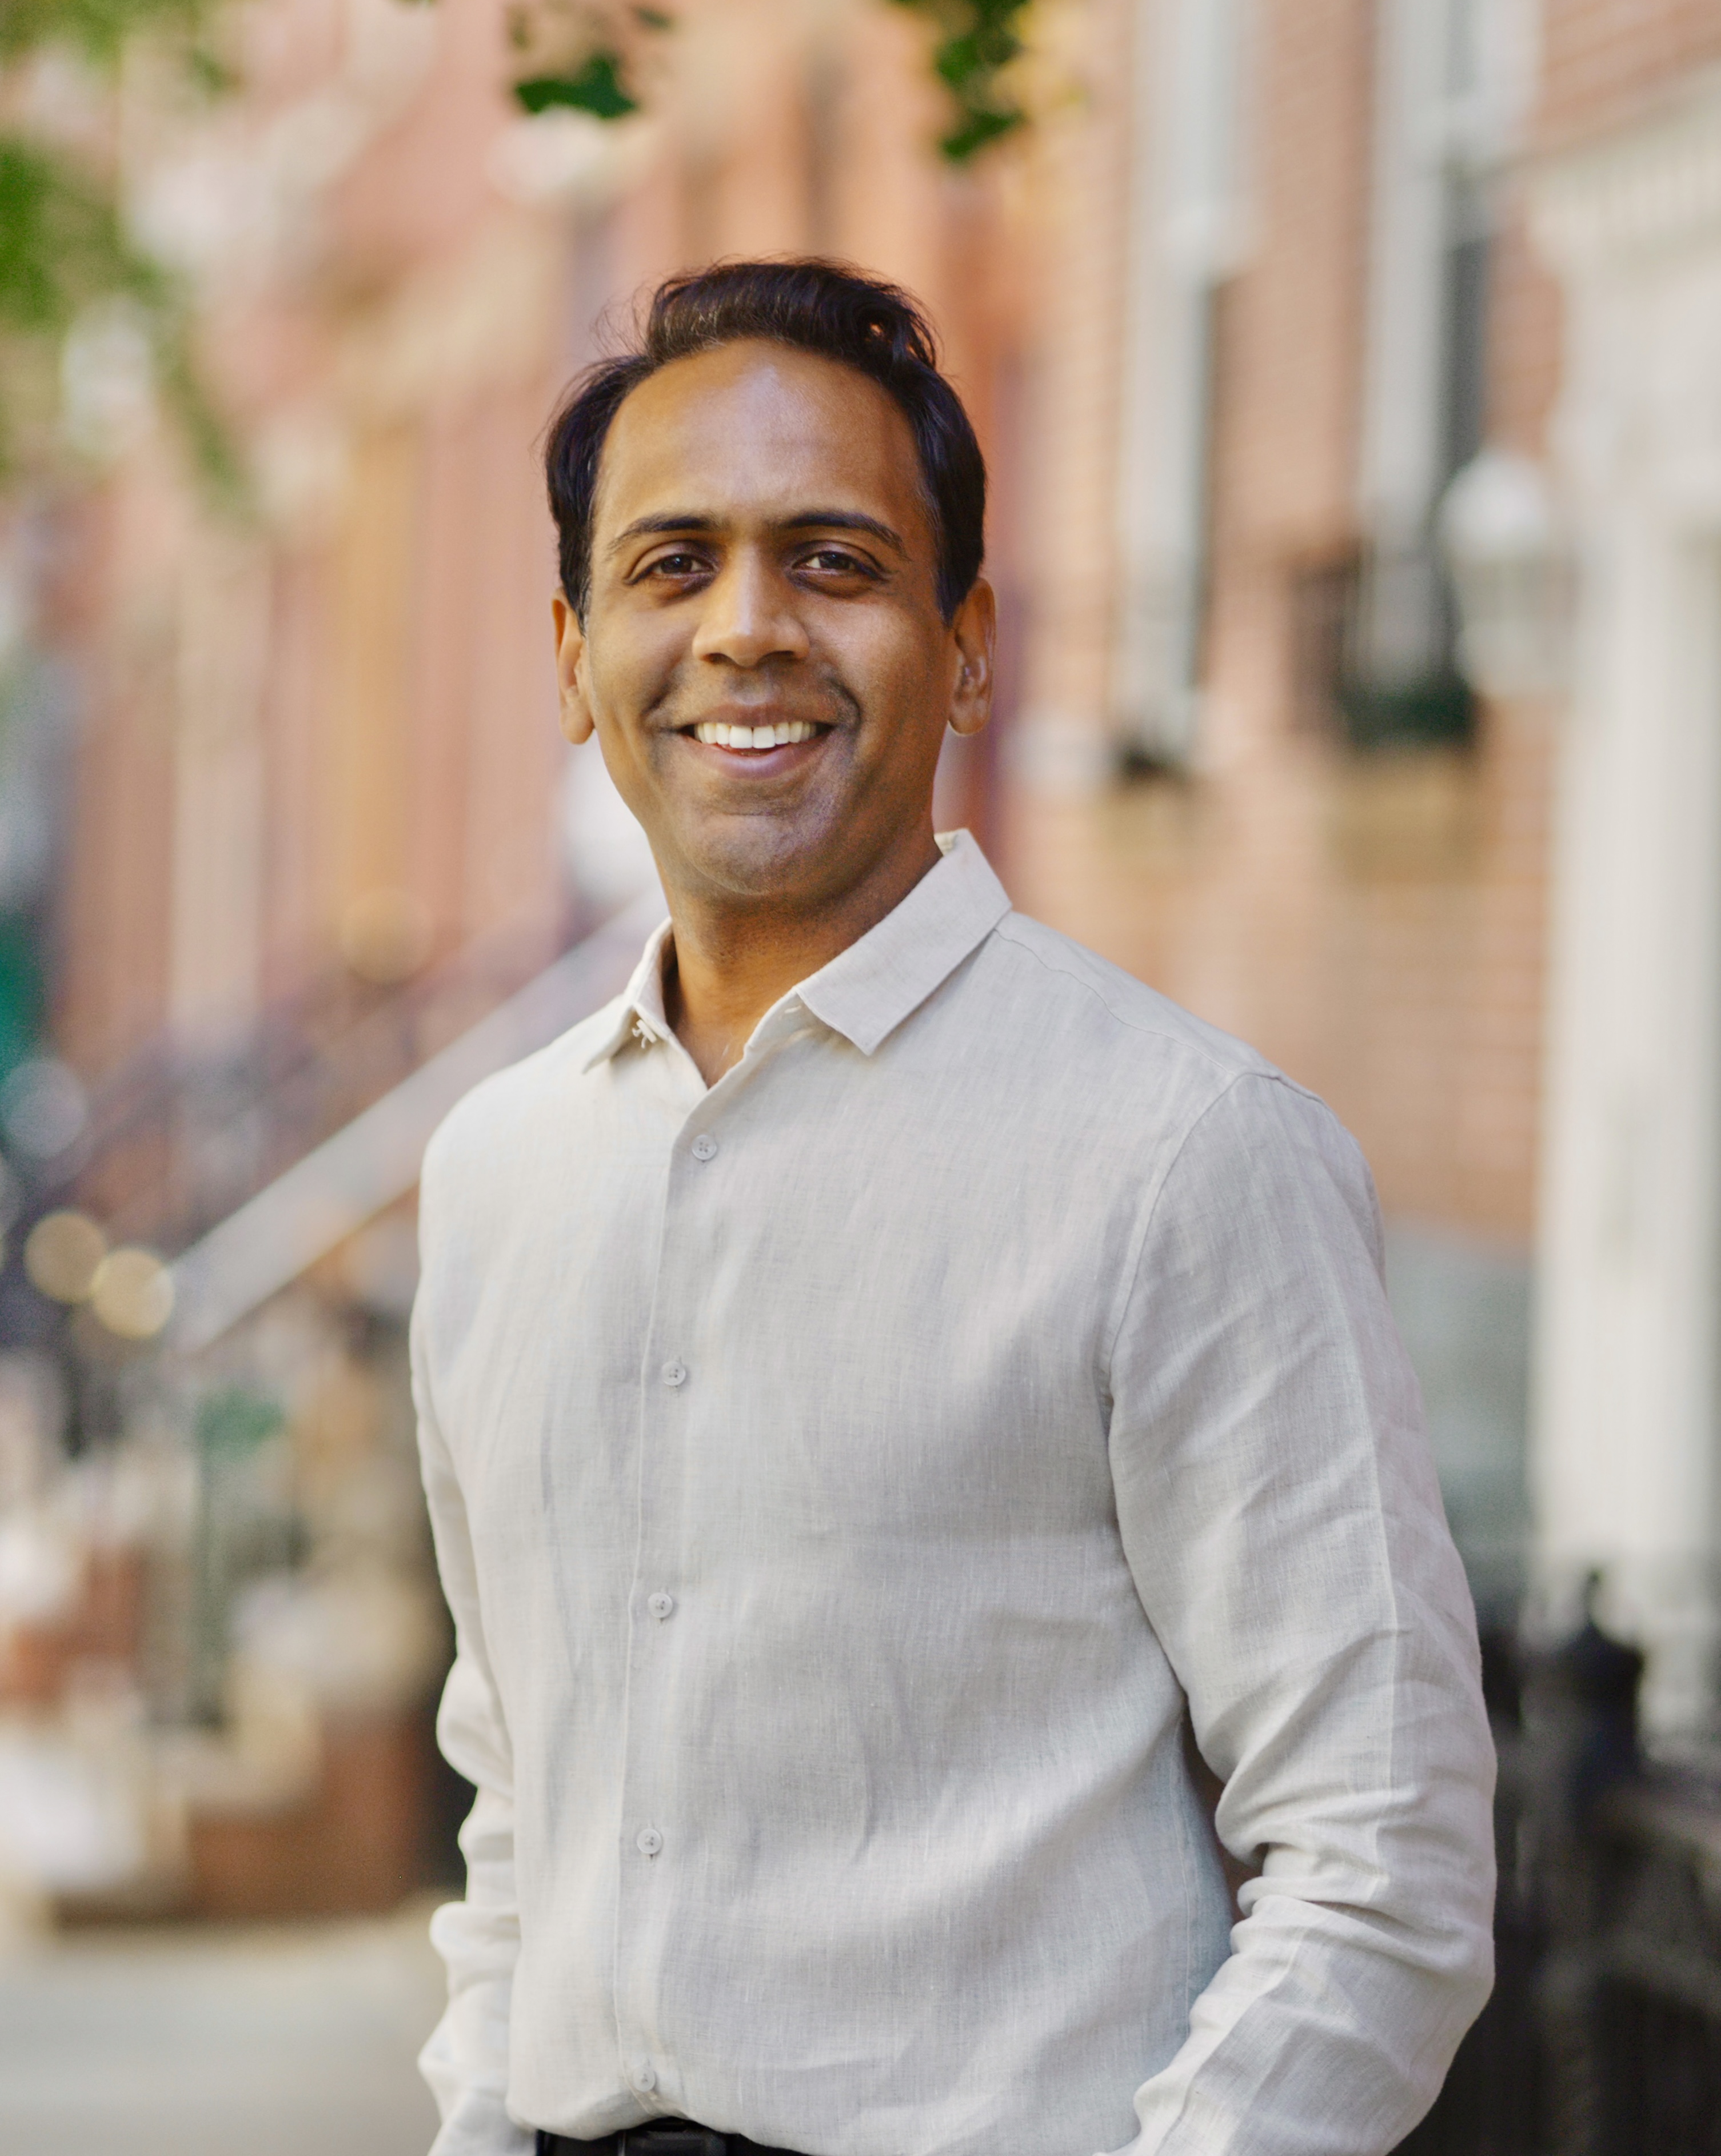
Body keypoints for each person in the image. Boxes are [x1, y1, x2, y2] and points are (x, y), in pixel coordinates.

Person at [410, 259, 1494, 2156]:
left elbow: (1379, 1857)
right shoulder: (498, 1173)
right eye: (672, 566)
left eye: (832, 561)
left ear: (968, 642)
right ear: (573, 658)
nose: (748, 630)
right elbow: (521, 1812)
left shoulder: (1181, 1154)